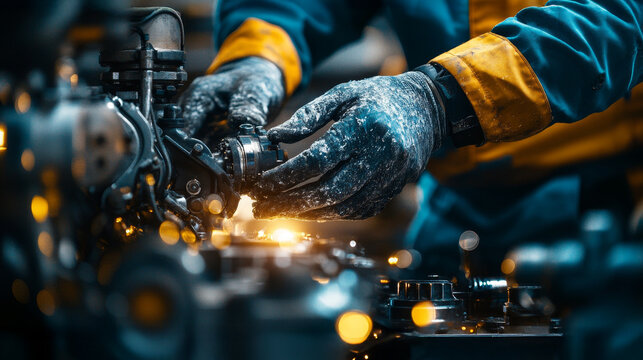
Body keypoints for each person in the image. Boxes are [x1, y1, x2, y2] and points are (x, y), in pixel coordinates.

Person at [181, 0, 643, 275]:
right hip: (454, 207)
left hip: (608, 206)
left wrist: (439, 98)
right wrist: (259, 55)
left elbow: (621, 19)